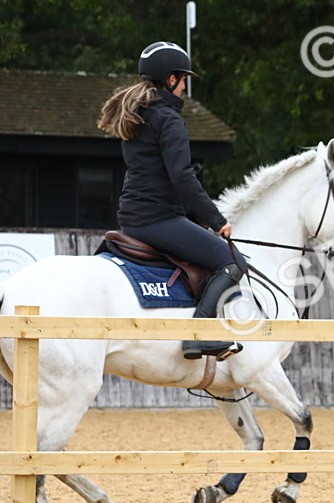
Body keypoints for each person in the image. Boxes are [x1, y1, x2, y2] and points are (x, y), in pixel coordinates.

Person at [97, 41, 245, 360]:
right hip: (157, 219)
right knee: (233, 261)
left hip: (134, 218)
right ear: (171, 79)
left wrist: (197, 219)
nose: (185, 86)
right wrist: (218, 222)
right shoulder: (169, 119)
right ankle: (199, 335)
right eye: (183, 79)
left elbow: (165, 178)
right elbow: (182, 178)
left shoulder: (137, 116)